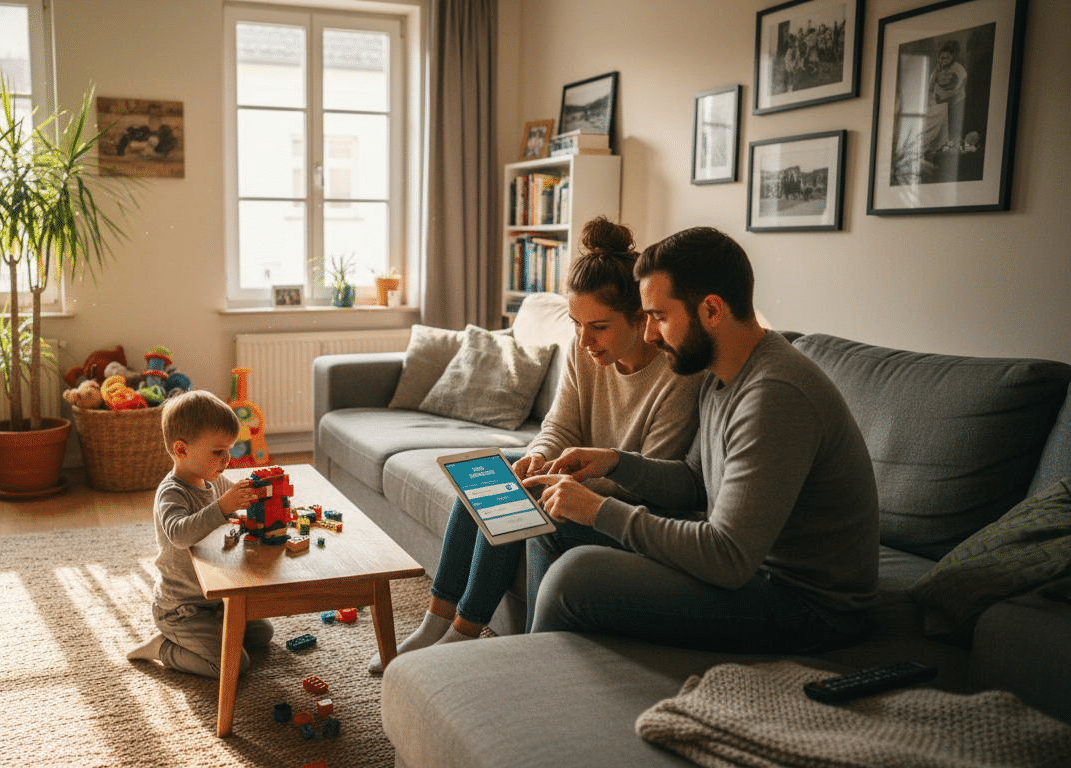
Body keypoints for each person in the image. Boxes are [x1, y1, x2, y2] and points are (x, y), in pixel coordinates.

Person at [368, 218, 703, 674]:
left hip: (625, 507)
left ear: (641, 318)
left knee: (519, 496)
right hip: (574, 476)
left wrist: (562, 477)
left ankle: (465, 631)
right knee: (490, 473)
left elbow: (649, 480)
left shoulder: (676, 377)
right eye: (577, 325)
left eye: (599, 327)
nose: (585, 340)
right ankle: (436, 620)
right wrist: (540, 457)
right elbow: (559, 424)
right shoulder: (584, 354)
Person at [524, 226, 878, 654]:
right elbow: (694, 480)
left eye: (658, 316)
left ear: (711, 309)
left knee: (574, 577)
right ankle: (532, 663)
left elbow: (727, 556)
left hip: (807, 605)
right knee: (551, 522)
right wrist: (614, 462)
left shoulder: (775, 395)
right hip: (752, 573)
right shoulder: (716, 373)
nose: (650, 335)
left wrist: (599, 509)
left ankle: (532, 685)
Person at [127, 390, 274, 677]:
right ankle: (164, 649)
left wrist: (257, 493)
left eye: (229, 450)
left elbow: (235, 496)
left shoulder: (213, 481)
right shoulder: (172, 492)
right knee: (234, 664)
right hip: (182, 610)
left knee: (262, 634)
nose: (227, 459)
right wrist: (223, 507)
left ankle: (214, 632)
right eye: (218, 452)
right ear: (181, 450)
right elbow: (180, 534)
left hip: (217, 603)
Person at [929, 39, 967, 150]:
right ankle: (937, 145)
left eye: (947, 57)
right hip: (940, 101)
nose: (944, 60)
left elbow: (958, 89)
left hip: (955, 101)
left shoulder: (958, 69)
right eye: (942, 58)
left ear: (952, 57)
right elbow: (930, 86)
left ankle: (950, 146)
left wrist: (944, 99)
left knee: (954, 127)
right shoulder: (937, 69)